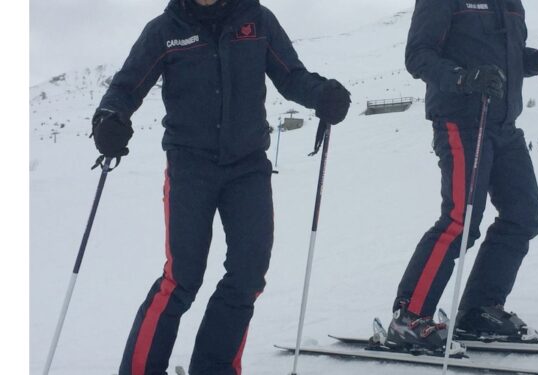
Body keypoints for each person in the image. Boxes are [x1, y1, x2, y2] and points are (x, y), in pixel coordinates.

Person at [90, 0, 351, 374]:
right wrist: (109, 117)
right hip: (190, 168)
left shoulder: (257, 20)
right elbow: (126, 86)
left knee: (248, 274)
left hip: (247, 168)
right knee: (182, 277)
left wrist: (321, 93)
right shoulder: (166, 29)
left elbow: (291, 75)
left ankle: (214, 367)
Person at [386, 0, 538, 353]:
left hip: (503, 124)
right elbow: (418, 55)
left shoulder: (511, 4)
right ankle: (409, 317)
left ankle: (479, 310)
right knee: (461, 220)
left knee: (522, 216)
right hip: (460, 120)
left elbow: (509, 61)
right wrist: (462, 78)